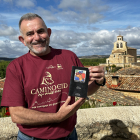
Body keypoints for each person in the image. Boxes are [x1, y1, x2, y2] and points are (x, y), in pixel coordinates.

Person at [1, 13, 105, 140]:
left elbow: (84, 90)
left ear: (49, 32)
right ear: (22, 40)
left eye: (40, 31)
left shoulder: (69, 57)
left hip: (69, 136)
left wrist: (98, 82)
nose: (37, 37)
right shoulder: (16, 67)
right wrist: (57, 117)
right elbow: (17, 115)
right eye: (29, 34)